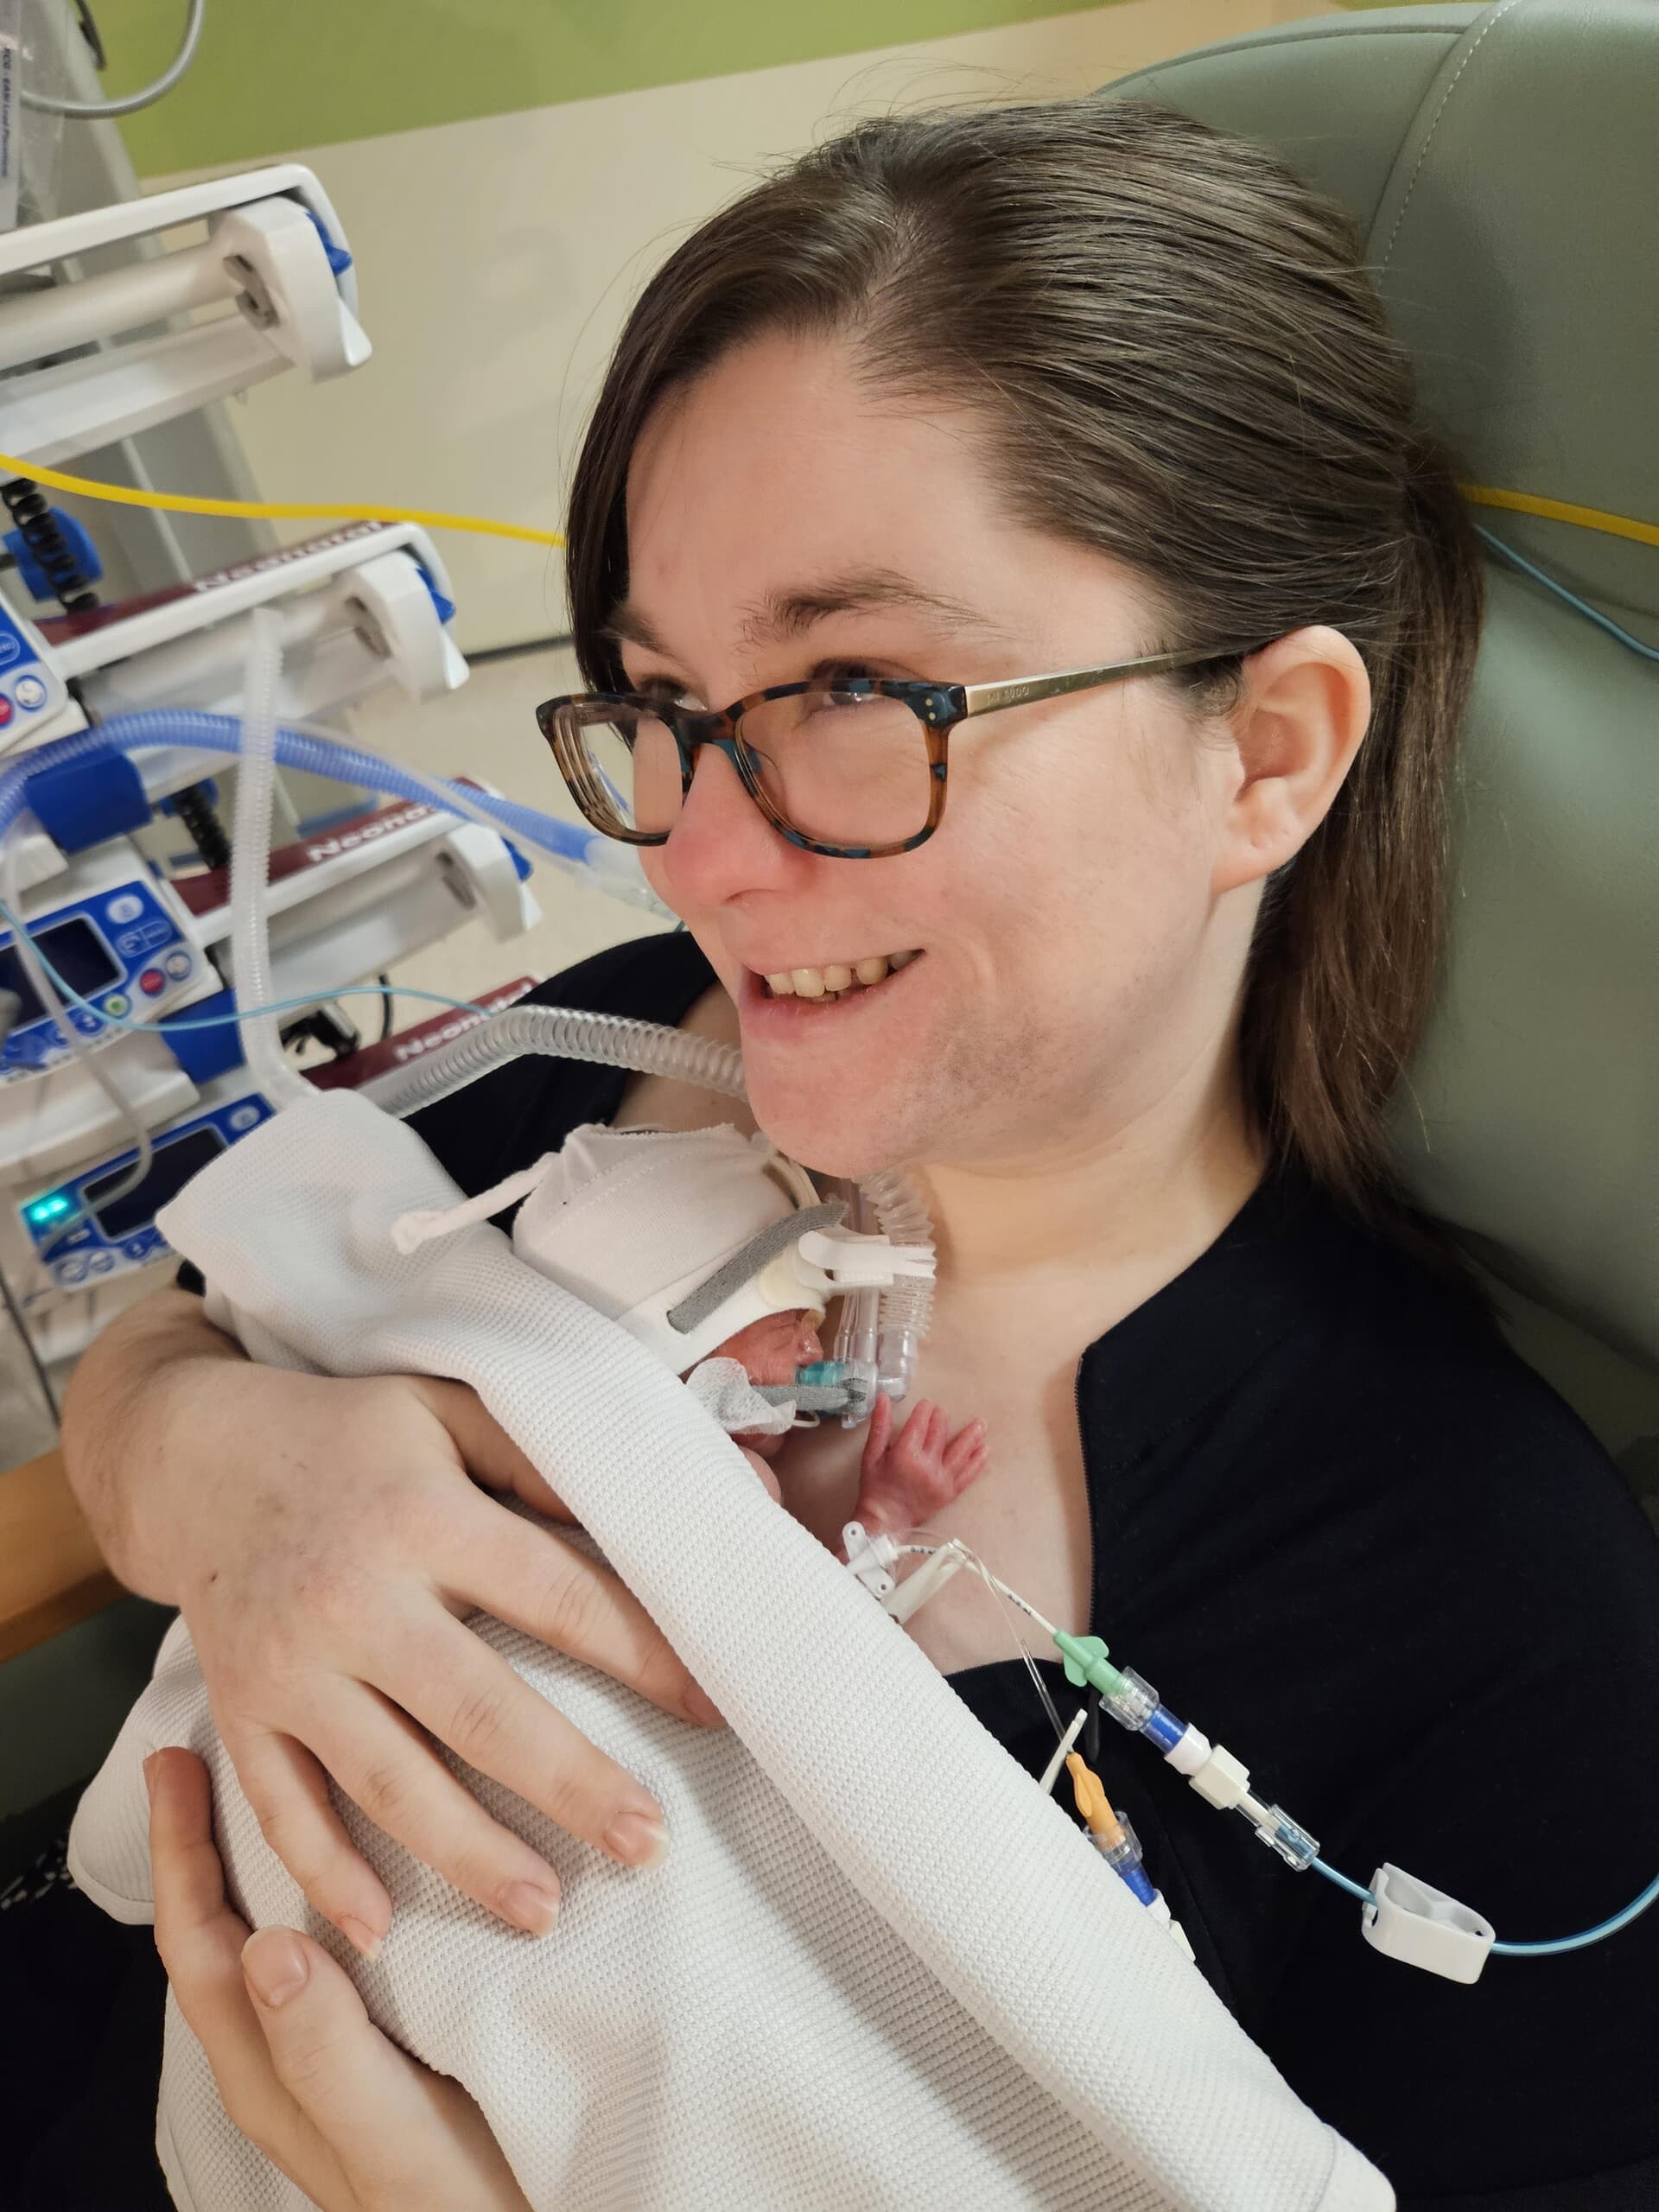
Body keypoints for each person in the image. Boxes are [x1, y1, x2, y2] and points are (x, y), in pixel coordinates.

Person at [57, 95, 1659, 2206]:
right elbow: (158, 1348)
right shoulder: (604, 1052)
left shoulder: (1497, 1610)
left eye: (857, 688)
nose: (704, 855)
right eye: (659, 700)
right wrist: (237, 1469)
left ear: (1264, 751)